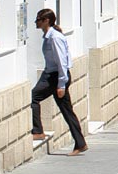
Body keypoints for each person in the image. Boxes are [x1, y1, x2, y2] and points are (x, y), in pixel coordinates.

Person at [31, 8, 88, 156]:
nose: (36, 22)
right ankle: (80, 143)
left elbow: (62, 61)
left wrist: (61, 84)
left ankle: (38, 131)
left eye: (39, 20)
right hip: (51, 75)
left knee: (34, 96)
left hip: (56, 77)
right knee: (67, 110)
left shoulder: (54, 38)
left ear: (46, 21)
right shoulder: (49, 36)